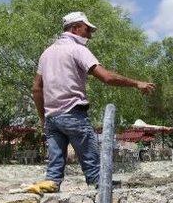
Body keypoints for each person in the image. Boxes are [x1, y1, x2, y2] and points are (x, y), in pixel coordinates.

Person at [32, 11, 155, 191]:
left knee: (53, 174)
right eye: (87, 29)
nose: (90, 34)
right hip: (73, 113)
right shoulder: (78, 50)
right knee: (95, 170)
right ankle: (106, 202)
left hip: (52, 117)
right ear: (74, 28)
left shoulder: (46, 54)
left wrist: (43, 118)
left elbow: (36, 88)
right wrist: (137, 83)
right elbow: (106, 77)